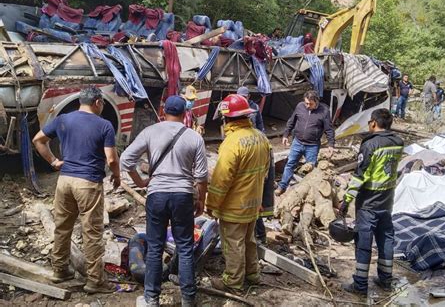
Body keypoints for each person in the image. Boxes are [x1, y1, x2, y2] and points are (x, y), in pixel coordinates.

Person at [120, 95, 208, 307]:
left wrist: (140, 182)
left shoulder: (151, 131)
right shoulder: (194, 137)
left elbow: (125, 160)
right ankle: (188, 299)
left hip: (157, 194)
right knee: (185, 247)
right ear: (185, 114)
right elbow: (202, 177)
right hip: (183, 195)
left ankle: (151, 299)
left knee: (155, 246)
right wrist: (201, 202)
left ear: (164, 112)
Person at [32, 86, 120, 293]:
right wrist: (116, 175)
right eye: (103, 103)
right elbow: (111, 158)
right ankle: (95, 281)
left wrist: (54, 161)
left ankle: (60, 270)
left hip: (65, 181)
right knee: (92, 232)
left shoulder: (63, 119)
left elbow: (38, 140)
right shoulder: (104, 125)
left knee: (62, 227)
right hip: (88, 183)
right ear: (97, 102)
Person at [206, 94, 271, 293]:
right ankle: (253, 274)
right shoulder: (261, 137)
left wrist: (212, 205)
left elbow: (221, 180)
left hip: (234, 206)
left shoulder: (232, 142)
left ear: (227, 118)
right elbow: (266, 172)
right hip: (253, 204)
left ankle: (233, 281)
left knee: (233, 244)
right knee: (249, 240)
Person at [338, 108, 404, 297]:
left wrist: (346, 200)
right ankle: (385, 280)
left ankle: (360, 284)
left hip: (369, 201)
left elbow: (360, 176)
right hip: (387, 200)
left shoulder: (370, 144)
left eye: (369, 122)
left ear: (373, 123)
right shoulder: (398, 142)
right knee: (386, 239)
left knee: (364, 242)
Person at [275, 91, 335, 196]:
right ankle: (282, 187)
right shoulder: (300, 106)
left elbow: (329, 129)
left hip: (312, 146)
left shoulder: (324, 111)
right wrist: (285, 135)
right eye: (306, 103)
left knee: (311, 169)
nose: (307, 106)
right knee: (290, 164)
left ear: (316, 101)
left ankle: (309, 193)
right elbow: (291, 121)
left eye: (310, 104)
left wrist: (331, 144)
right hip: (297, 142)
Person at [237, 86, 274, 244]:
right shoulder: (242, 143)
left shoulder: (254, 109)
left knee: (254, 209)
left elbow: (260, 126)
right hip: (253, 181)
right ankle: (256, 236)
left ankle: (259, 236)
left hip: (253, 183)